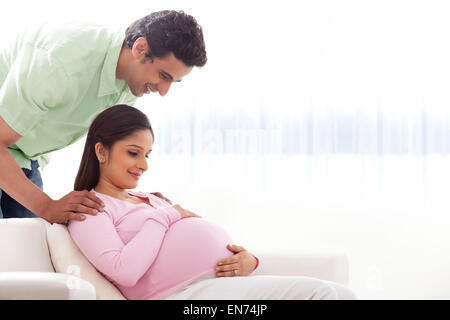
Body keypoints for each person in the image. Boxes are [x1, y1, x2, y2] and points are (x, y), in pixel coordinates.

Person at [68, 105, 357, 300]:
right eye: (133, 153)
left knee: (341, 294)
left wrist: (248, 261)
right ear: (101, 151)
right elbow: (125, 271)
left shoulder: (151, 199)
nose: (143, 165)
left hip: (217, 287)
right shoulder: (90, 209)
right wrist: (166, 215)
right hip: (186, 296)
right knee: (323, 295)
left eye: (148, 154)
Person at [0, 10, 207, 224]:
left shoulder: (129, 84)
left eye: (173, 81)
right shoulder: (62, 62)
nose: (164, 91)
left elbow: (106, 167)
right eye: (163, 76)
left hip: (23, 157)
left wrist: (139, 202)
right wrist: (46, 206)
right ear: (140, 48)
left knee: (26, 246)